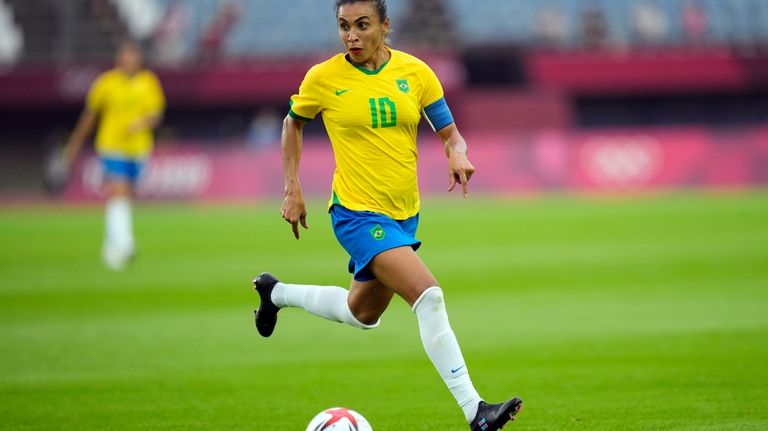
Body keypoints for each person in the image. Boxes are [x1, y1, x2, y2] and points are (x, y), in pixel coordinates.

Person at [252, 1, 522, 430]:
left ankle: (275, 293)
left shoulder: (416, 73)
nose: (351, 36)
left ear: (385, 25)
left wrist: (458, 153)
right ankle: (476, 410)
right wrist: (293, 187)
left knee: (362, 314)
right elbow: (292, 124)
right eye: (343, 27)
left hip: (404, 215)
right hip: (356, 213)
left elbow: (450, 133)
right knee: (428, 296)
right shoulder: (323, 78)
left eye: (362, 25)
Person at [64, 41, 165, 270]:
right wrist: (74, 145)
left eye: (133, 57)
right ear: (118, 59)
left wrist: (142, 122)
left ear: (139, 59)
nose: (129, 61)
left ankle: (110, 248)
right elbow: (90, 116)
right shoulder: (106, 83)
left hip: (139, 148)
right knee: (118, 189)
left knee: (126, 194)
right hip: (111, 145)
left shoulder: (148, 82)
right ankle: (126, 243)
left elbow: (157, 113)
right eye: (125, 56)